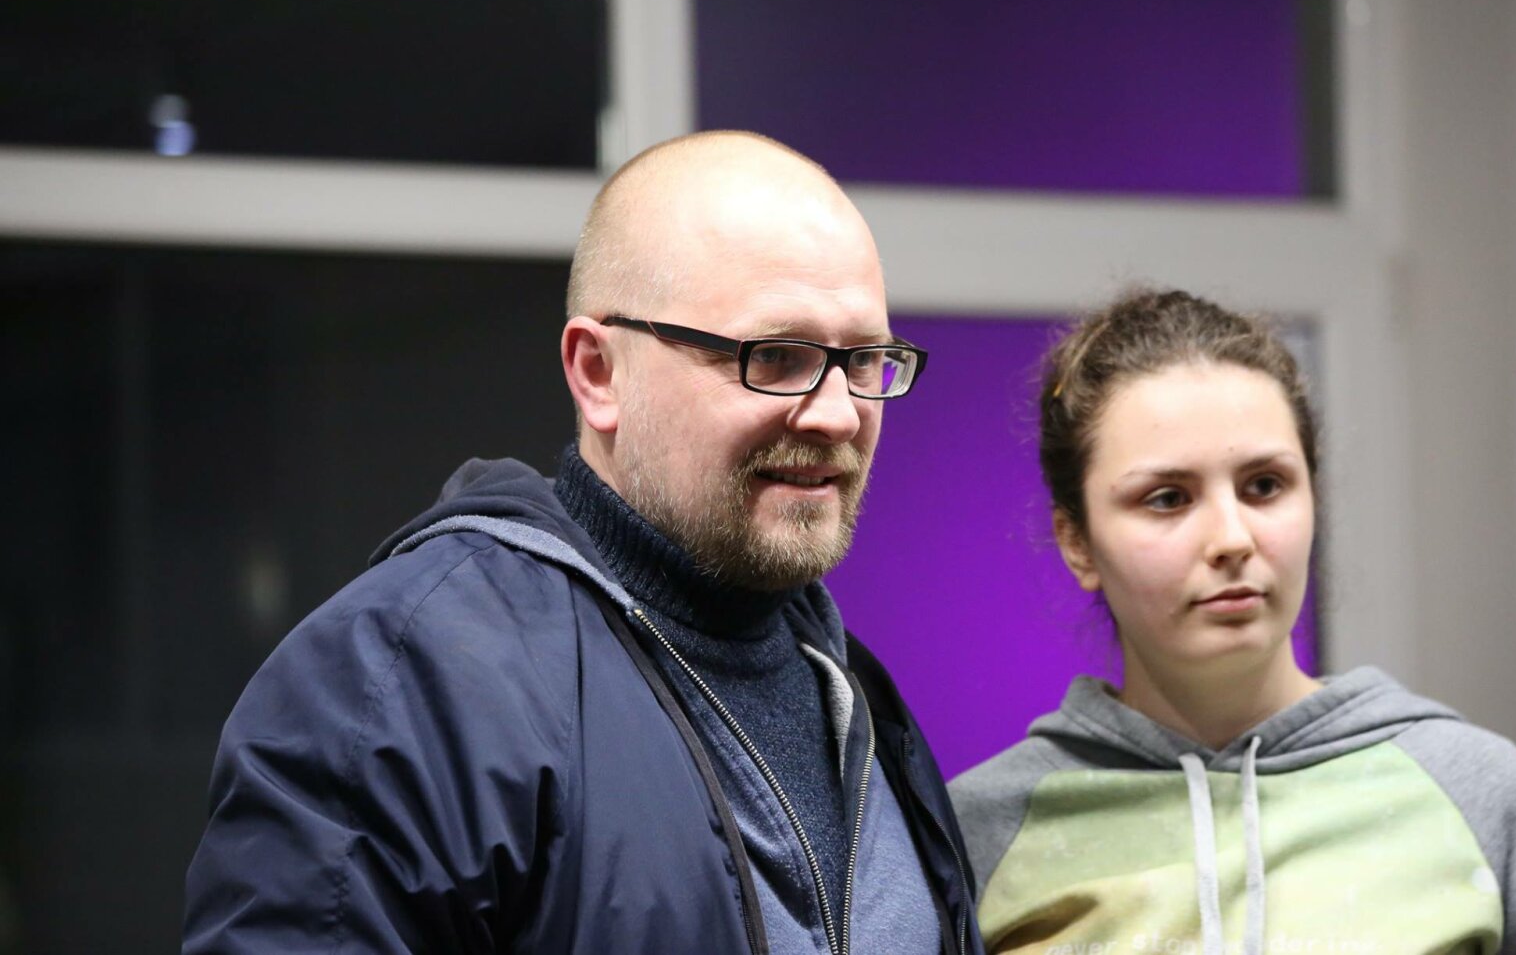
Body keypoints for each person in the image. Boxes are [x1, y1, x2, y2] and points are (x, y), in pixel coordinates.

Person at [183, 131, 981, 955]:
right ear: (599, 373)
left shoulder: (853, 698)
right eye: (776, 357)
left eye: (866, 361)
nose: (839, 414)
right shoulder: (401, 681)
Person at [949, 289, 1516, 954]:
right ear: (1078, 543)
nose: (1232, 538)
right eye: (1167, 498)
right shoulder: (978, 834)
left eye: (1264, 486)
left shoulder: (1484, 798)